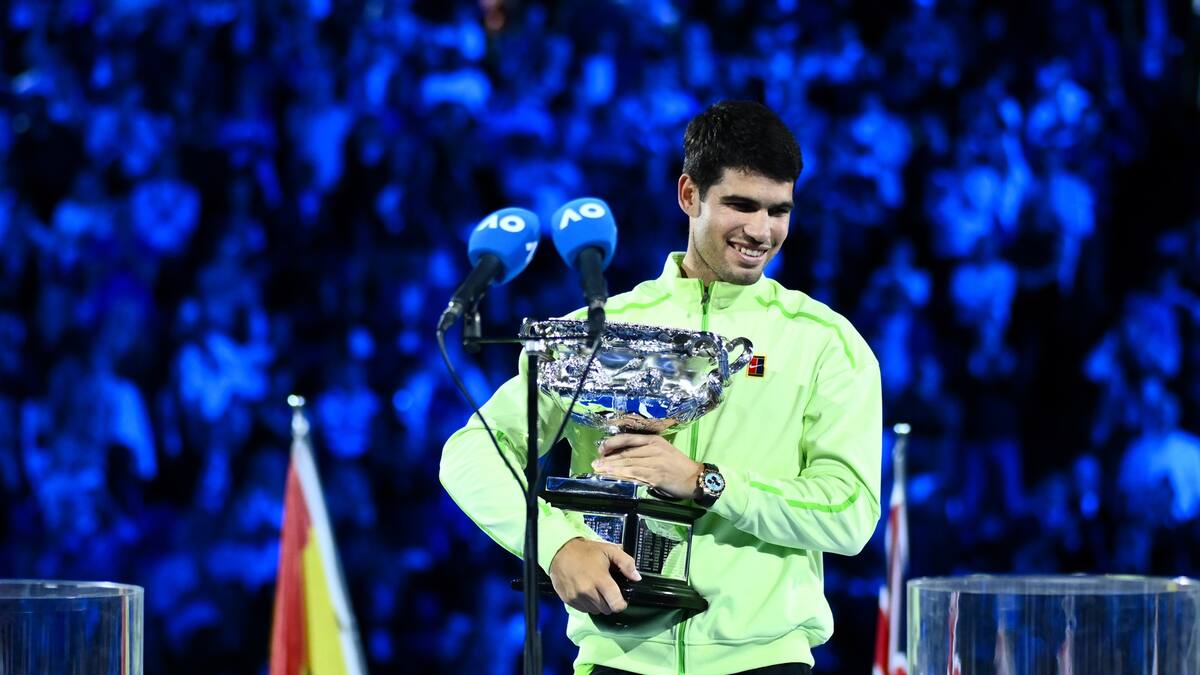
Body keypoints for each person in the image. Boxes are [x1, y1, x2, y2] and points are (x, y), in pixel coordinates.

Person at [441, 100, 882, 674]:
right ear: (689, 195)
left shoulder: (825, 343)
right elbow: (471, 454)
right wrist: (556, 547)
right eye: (740, 205)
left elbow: (848, 513)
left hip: (763, 662)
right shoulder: (602, 329)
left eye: (779, 211)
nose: (761, 230)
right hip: (616, 659)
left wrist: (705, 482)